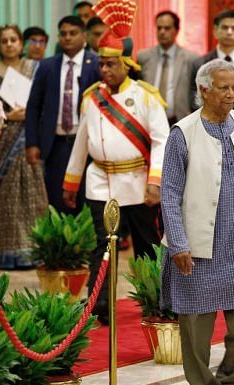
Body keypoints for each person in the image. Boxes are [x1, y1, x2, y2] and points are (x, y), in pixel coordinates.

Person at [160, 58, 234, 385]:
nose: (231, 94)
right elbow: (169, 194)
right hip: (197, 250)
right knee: (195, 333)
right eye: (223, 88)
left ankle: (230, 381)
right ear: (203, 90)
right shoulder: (183, 133)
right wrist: (179, 243)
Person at [63, 7, 167, 324]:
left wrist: (155, 182)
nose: (103, 69)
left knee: (146, 247)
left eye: (110, 64)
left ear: (126, 65)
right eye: (101, 64)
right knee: (101, 248)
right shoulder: (92, 98)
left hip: (137, 184)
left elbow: (162, 140)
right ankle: (101, 304)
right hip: (99, 182)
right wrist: (71, 182)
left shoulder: (146, 97)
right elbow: (82, 142)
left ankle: (154, 297)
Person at [0, 25, 47, 270]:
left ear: (21, 43)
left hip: (30, 137)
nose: (9, 44)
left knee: (33, 194)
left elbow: (44, 102)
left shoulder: (35, 67)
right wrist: (9, 116)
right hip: (4, 137)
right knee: (7, 198)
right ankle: (9, 255)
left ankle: (36, 253)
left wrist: (28, 115)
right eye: (4, 40)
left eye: (13, 40)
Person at [25, 16, 100, 215]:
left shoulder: (97, 64)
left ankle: (90, 245)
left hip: (88, 144)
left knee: (87, 199)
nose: (67, 38)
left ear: (84, 36)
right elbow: (33, 106)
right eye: (63, 34)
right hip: (56, 144)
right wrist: (31, 143)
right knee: (58, 202)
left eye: (73, 33)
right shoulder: (47, 66)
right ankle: (62, 245)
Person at [137, 10, 200, 124]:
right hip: (148, 121)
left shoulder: (191, 59)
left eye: (167, 28)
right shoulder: (143, 57)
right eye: (159, 28)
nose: (162, 32)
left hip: (179, 121)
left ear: (176, 30)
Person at [189, 9, 234, 111]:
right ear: (215, 30)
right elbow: (194, 100)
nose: (229, 32)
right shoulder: (200, 63)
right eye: (225, 27)